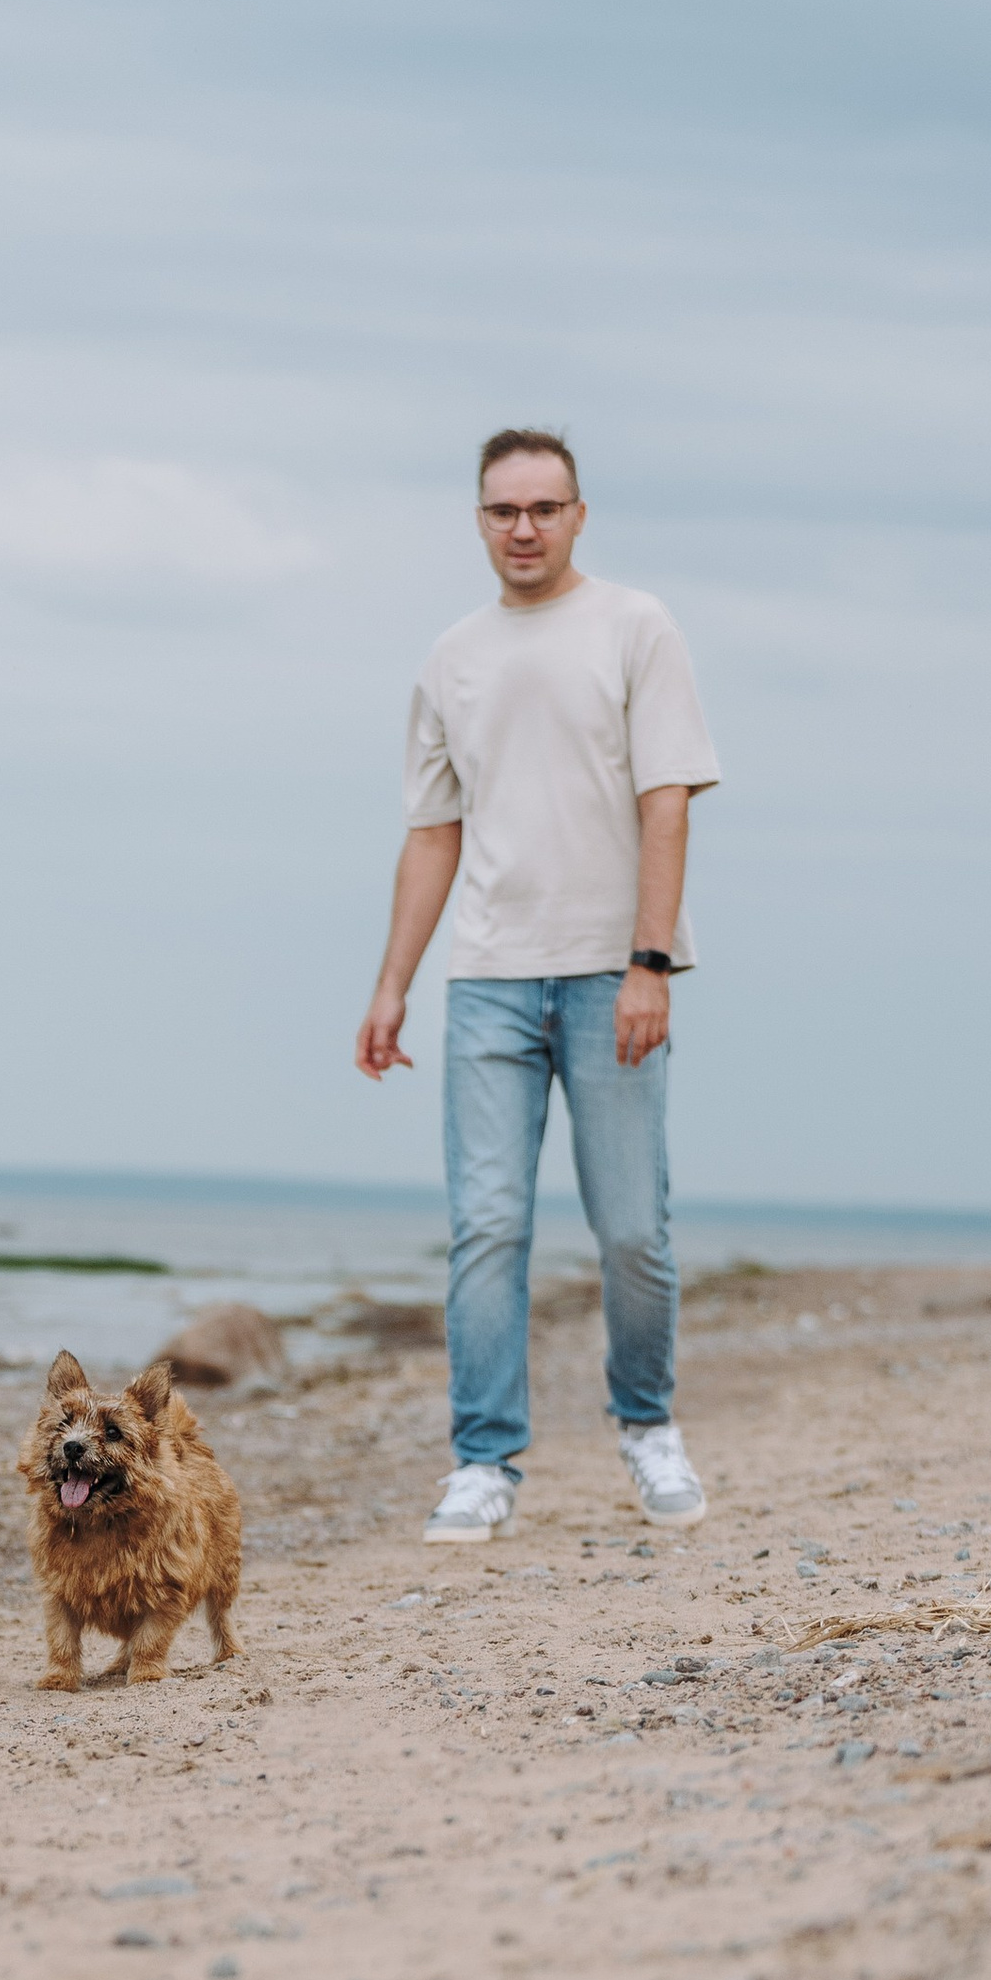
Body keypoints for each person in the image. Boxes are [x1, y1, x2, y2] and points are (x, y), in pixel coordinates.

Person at [355, 429, 720, 1546]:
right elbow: (431, 835)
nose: (523, 528)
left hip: (613, 973)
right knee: (486, 1229)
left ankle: (647, 1425)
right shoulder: (449, 658)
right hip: (489, 984)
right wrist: (391, 988)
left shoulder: (634, 627)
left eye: (544, 509)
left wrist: (648, 962)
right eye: (503, 511)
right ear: (478, 520)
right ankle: (482, 1461)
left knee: (629, 1232)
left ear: (577, 515)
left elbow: (668, 800)